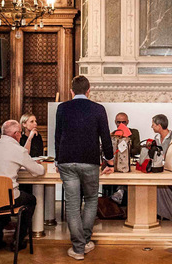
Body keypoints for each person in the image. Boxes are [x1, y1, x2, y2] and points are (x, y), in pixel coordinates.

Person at [55, 75, 114, 260]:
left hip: (66, 160)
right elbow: (105, 137)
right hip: (90, 160)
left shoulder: (62, 108)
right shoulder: (98, 109)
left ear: (71, 91)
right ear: (89, 91)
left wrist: (58, 160)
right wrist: (110, 161)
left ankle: (78, 248)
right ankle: (86, 241)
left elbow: (58, 136)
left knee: (72, 206)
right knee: (90, 200)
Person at [0, 120, 45, 251]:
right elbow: (38, 171)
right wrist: (40, 165)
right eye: (20, 134)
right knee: (31, 200)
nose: (21, 136)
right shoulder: (18, 150)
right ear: (16, 134)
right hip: (9, 198)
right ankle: (18, 239)